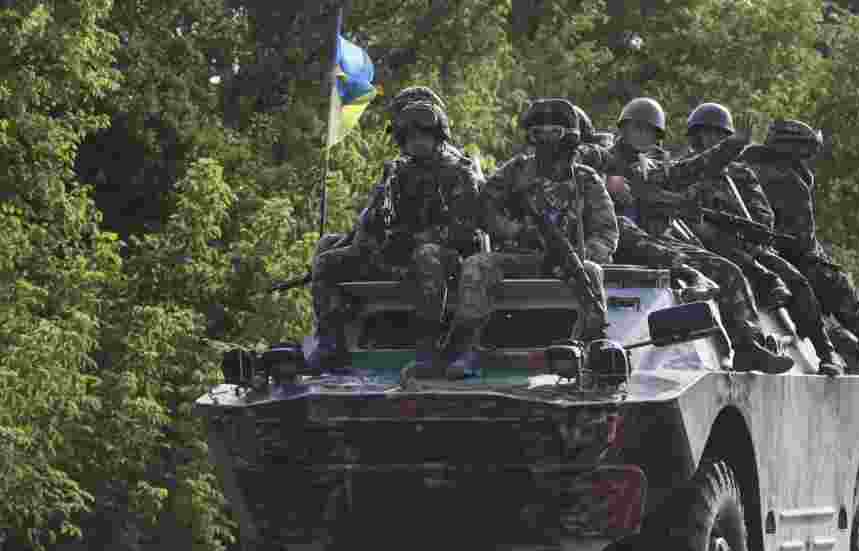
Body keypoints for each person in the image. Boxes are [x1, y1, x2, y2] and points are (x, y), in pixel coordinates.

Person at [578, 97, 794, 374]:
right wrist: (606, 180)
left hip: (653, 239)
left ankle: (748, 346)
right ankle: (694, 278)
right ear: (624, 128)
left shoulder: (651, 168)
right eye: (637, 128)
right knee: (668, 253)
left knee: (729, 271)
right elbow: (569, 158)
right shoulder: (602, 156)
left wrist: (733, 145)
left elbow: (693, 168)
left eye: (649, 131)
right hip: (615, 241)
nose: (642, 135)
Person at [309, 99, 486, 374]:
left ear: (437, 135)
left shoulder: (458, 173)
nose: (416, 142)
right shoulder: (396, 173)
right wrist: (374, 237)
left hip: (449, 260)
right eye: (409, 137)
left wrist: (419, 238)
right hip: (399, 253)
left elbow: (465, 230)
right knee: (327, 262)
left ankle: (427, 348)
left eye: (423, 136)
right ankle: (331, 345)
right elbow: (372, 222)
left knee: (426, 255)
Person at [446, 97, 616, 379]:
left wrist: (584, 255)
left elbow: (607, 230)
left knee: (592, 273)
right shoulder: (515, 171)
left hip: (568, 259)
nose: (546, 140)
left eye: (554, 132)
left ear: (570, 135)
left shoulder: (585, 179)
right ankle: (466, 349)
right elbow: (484, 209)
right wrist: (514, 230)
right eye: (539, 133)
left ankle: (593, 350)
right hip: (520, 256)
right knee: (476, 265)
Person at [683, 102, 846, 376]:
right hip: (707, 245)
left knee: (796, 281)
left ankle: (825, 350)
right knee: (740, 270)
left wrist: (750, 228)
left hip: (746, 243)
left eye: (721, 136)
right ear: (696, 137)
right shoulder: (685, 169)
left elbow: (763, 215)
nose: (715, 141)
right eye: (708, 135)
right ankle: (751, 340)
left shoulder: (741, 173)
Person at [742, 119, 859, 375]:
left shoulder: (755, 167)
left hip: (772, 248)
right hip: (778, 251)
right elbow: (801, 240)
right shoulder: (784, 179)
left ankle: (853, 349)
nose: (807, 158)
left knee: (827, 278)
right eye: (804, 151)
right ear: (791, 149)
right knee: (836, 282)